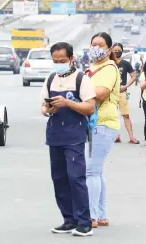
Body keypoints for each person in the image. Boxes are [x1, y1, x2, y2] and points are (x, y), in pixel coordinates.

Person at [41, 42, 95, 237]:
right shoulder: (50, 80)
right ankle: (69, 219)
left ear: (71, 59)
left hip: (74, 136)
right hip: (55, 135)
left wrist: (68, 103)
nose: (58, 64)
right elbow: (43, 108)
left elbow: (89, 108)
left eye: (62, 61)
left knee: (76, 177)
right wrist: (49, 109)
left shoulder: (82, 79)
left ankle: (84, 222)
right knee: (59, 179)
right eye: (55, 61)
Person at [87, 32, 120, 228]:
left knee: (90, 171)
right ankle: (101, 214)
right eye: (93, 44)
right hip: (94, 123)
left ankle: (91, 216)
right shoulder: (93, 67)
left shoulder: (108, 68)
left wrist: (79, 94)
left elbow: (101, 93)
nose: (96, 47)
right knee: (96, 172)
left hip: (103, 123)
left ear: (109, 49)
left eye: (100, 44)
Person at [112, 43, 139, 144]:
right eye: (115, 50)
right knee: (113, 116)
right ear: (111, 51)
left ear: (122, 51)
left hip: (122, 92)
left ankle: (131, 137)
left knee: (126, 115)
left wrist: (126, 86)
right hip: (111, 94)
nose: (117, 52)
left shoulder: (125, 64)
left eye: (119, 50)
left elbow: (133, 77)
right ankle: (116, 136)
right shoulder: (109, 63)